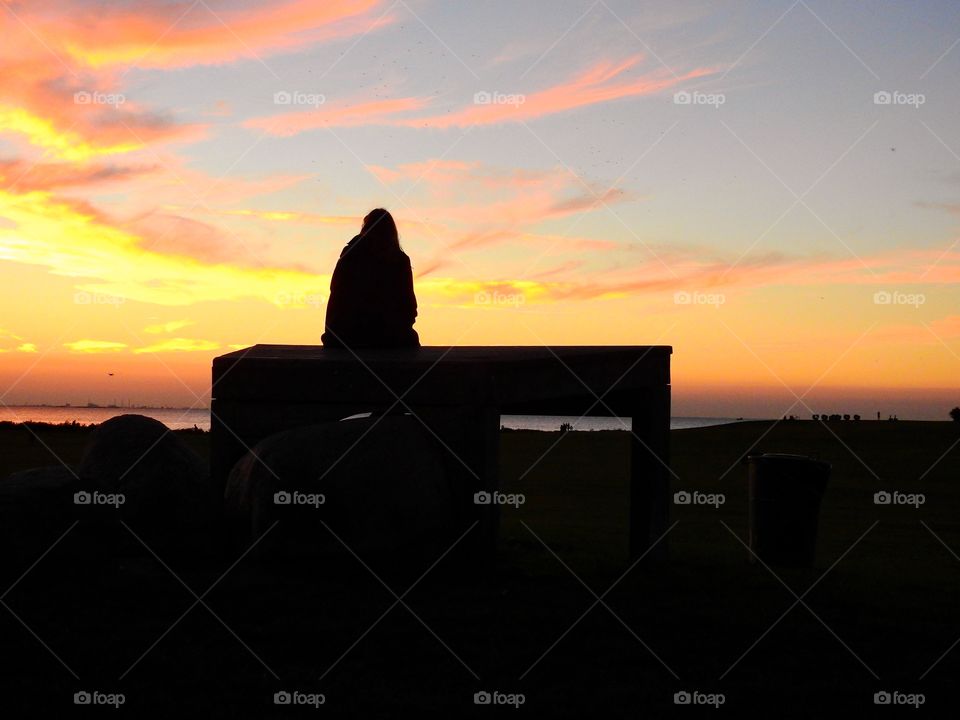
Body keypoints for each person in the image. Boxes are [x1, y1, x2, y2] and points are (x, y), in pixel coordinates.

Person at [321, 208, 420, 349]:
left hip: (348, 335)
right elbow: (409, 305)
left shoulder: (350, 255)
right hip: (389, 336)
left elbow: (336, 295)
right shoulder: (399, 260)